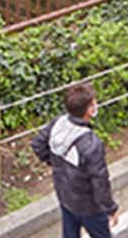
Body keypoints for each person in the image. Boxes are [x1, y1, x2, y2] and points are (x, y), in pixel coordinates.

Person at [32, 82, 118, 238]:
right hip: (88, 206)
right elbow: (100, 181)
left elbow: (37, 144)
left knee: (70, 233)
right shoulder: (91, 144)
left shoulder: (57, 123)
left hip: (64, 194)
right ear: (89, 110)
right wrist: (110, 209)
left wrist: (55, 163)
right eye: (94, 103)